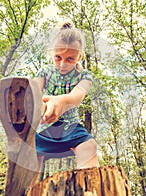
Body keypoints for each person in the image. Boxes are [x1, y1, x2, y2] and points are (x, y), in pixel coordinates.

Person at [33, 21, 99, 175]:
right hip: (43, 128)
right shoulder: (45, 72)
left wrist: (60, 101)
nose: (63, 64)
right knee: (28, 156)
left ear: (79, 56)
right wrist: (40, 106)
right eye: (58, 57)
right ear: (52, 54)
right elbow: (34, 92)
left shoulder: (85, 76)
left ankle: (90, 190)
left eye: (70, 59)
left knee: (89, 146)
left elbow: (76, 96)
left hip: (71, 126)